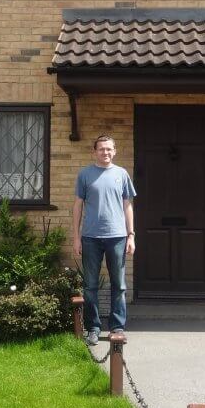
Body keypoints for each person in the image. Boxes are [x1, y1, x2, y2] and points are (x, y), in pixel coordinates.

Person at [73, 134, 137, 346]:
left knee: (118, 284)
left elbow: (128, 206)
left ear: (115, 151)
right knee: (90, 285)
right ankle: (93, 328)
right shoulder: (85, 175)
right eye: (101, 149)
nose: (105, 152)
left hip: (117, 237)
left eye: (109, 149)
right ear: (94, 152)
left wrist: (131, 235)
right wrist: (76, 237)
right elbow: (78, 206)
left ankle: (117, 326)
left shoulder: (121, 174)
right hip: (90, 237)